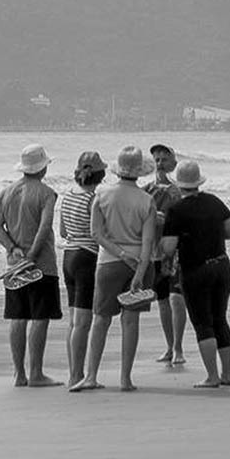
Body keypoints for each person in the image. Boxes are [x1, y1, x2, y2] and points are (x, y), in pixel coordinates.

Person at [70, 146, 156, 393]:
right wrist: (139, 270)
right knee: (131, 322)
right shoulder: (146, 200)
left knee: (101, 319)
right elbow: (149, 241)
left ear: (118, 169)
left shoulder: (102, 194)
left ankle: (91, 375)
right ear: (139, 171)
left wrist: (120, 254)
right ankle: (125, 379)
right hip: (139, 262)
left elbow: (96, 233)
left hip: (108, 262)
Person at [160, 160, 230, 388]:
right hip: (222, 265)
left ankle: (212, 376)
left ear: (177, 185)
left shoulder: (176, 210)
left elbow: (168, 247)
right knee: (220, 319)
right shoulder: (214, 201)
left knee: (203, 323)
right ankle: (227, 373)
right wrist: (210, 233)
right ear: (198, 182)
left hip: (195, 269)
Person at [0, 143, 62, 388]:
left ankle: (19, 374)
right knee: (40, 317)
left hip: (14, 265)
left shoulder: (7, 192)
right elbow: (45, 227)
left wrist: (12, 248)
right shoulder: (47, 193)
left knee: (18, 317)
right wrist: (32, 254)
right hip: (41, 264)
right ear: (42, 168)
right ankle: (37, 374)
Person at [57, 151, 107, 386]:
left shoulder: (67, 196)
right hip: (87, 258)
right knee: (83, 321)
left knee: (74, 320)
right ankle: (77, 375)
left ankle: (73, 372)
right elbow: (98, 233)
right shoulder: (94, 199)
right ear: (100, 175)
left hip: (68, 256)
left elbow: (63, 232)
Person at [145, 143, 188, 366]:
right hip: (155, 253)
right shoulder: (146, 190)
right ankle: (169, 347)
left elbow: (187, 221)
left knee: (176, 299)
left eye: (164, 159)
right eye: (157, 160)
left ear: (174, 163)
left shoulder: (178, 191)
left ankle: (179, 347)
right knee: (162, 301)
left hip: (176, 252)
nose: (160, 163)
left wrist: (167, 219)